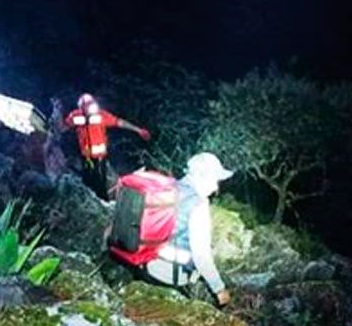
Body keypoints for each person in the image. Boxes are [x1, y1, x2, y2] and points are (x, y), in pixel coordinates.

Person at [143, 152, 233, 306]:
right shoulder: (198, 204)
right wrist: (219, 289)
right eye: (215, 180)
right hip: (171, 276)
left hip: (146, 264)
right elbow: (201, 257)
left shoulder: (169, 187)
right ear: (205, 177)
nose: (216, 187)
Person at [64, 93, 150, 199]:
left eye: (91, 104)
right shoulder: (76, 115)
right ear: (82, 107)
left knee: (101, 181)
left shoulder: (101, 115)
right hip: (86, 157)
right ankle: (96, 200)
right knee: (89, 181)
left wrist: (138, 130)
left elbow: (119, 122)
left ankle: (106, 199)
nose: (90, 107)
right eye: (86, 105)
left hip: (101, 156)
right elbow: (67, 123)